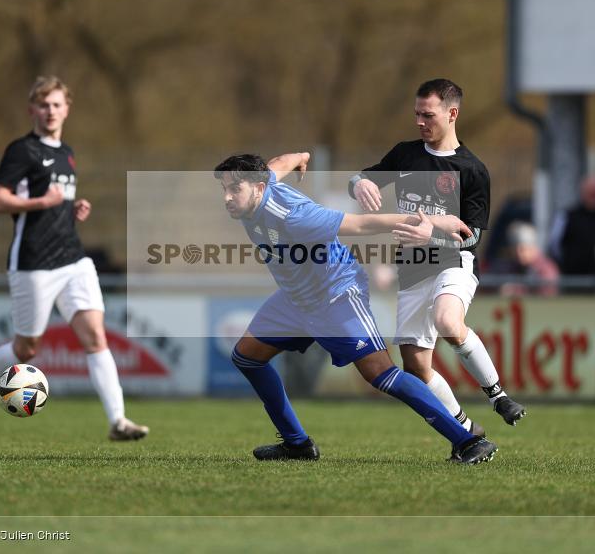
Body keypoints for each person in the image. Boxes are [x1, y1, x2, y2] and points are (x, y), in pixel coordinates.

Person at [215, 152, 498, 465]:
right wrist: (302, 157)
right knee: (246, 356)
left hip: (336, 295)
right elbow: (278, 164)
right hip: (295, 299)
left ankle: (468, 441)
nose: (227, 197)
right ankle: (297, 444)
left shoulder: (294, 216)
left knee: (381, 374)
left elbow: (363, 225)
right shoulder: (260, 183)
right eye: (224, 189)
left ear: (257, 187)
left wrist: (433, 222)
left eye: (234, 189)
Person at [0, 76, 148, 442]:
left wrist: (70, 208)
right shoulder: (22, 151)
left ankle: (118, 421)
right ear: (33, 109)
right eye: (44, 105)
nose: (50, 111)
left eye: (57, 104)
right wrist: (41, 204)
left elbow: (54, 201)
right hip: (33, 261)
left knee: (95, 335)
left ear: (67, 109)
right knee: (26, 349)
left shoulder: (67, 153)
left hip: (73, 258)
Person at [349, 78, 526, 433]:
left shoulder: (472, 170)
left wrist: (434, 236)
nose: (419, 121)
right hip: (413, 269)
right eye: (416, 114)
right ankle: (465, 427)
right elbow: (359, 177)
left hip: (453, 263)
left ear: (452, 114)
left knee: (448, 321)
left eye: (427, 115)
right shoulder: (405, 154)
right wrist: (360, 182)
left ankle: (497, 396)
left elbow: (472, 237)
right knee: (415, 366)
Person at [550, 176, 595, 275]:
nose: (594, 197)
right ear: (582, 193)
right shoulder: (567, 216)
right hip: (573, 277)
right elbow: (555, 246)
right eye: (591, 193)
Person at [490, 222, 560, 296]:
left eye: (523, 249)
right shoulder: (507, 266)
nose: (519, 253)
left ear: (533, 247)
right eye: (515, 249)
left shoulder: (546, 269)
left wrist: (515, 291)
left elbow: (547, 298)